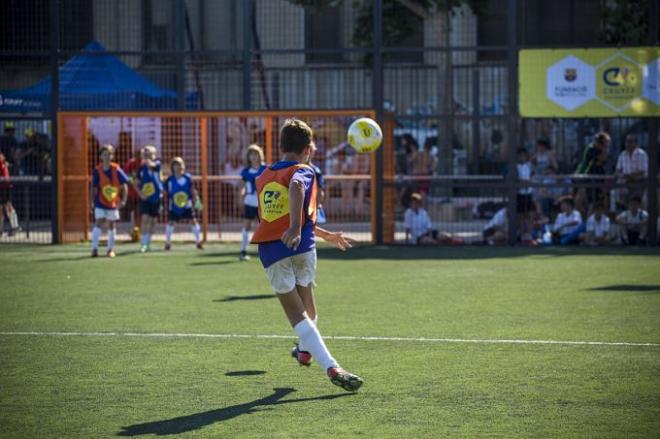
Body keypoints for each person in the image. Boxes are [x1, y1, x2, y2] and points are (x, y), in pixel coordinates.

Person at [250, 118, 363, 392]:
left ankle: (330, 365)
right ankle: (306, 350)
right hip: (302, 247)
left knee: (298, 314)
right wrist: (296, 229)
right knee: (308, 309)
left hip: (274, 249)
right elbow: (297, 187)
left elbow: (290, 202)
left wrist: (319, 233)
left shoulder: (263, 176)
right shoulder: (305, 169)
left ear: (280, 146)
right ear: (308, 149)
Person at [90, 144, 131, 258]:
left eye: (109, 154)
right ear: (100, 157)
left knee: (112, 225)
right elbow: (93, 187)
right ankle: (94, 248)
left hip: (112, 202)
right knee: (98, 223)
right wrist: (91, 202)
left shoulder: (116, 169)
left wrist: (123, 200)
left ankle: (110, 250)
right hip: (100, 201)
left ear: (112, 156)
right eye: (104, 154)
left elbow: (124, 185)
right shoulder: (97, 170)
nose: (107, 156)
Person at [164, 157, 203, 251]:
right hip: (174, 205)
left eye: (181, 164)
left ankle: (198, 241)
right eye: (176, 165)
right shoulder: (170, 180)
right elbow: (166, 192)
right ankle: (168, 242)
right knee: (171, 222)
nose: (179, 167)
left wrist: (197, 201)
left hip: (187, 204)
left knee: (193, 221)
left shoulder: (188, 178)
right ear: (173, 167)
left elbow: (193, 190)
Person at [238, 144, 267, 261]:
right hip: (250, 201)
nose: (254, 157)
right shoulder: (245, 172)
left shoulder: (266, 169)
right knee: (247, 225)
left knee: (265, 226)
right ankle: (243, 251)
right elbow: (241, 187)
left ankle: (266, 252)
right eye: (251, 155)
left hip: (263, 202)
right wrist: (241, 197)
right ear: (248, 157)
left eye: (256, 154)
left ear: (260, 155)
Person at [136, 145, 163, 253]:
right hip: (145, 198)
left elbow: (153, 165)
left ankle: (148, 242)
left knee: (153, 220)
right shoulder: (141, 169)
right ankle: (143, 243)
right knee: (145, 218)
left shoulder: (157, 164)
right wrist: (140, 193)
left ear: (154, 155)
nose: (147, 155)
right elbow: (136, 182)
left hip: (156, 197)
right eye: (145, 152)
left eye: (149, 153)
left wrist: (147, 160)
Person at [615, 134, 648, 205]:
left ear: (636, 143)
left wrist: (630, 176)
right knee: (615, 190)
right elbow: (618, 170)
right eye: (626, 141)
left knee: (640, 201)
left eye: (630, 141)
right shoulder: (622, 154)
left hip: (639, 182)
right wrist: (621, 175)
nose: (628, 144)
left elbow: (643, 171)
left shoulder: (642, 154)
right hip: (625, 182)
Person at [123, 149, 142, 242]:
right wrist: (133, 180)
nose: (140, 156)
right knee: (128, 213)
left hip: (141, 194)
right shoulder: (130, 163)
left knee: (139, 213)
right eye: (138, 153)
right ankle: (133, 231)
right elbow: (125, 175)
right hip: (131, 192)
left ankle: (137, 231)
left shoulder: (144, 164)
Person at [516, 148, 535, 242]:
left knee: (530, 214)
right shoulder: (515, 166)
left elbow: (532, 176)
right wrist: (523, 182)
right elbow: (516, 179)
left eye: (524, 155)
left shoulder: (529, 165)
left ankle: (529, 234)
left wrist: (529, 182)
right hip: (520, 194)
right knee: (521, 215)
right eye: (520, 155)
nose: (522, 157)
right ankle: (522, 233)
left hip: (529, 193)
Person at [0, 153, 20, 236]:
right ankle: (1, 230)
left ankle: (15, 227)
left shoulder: (1, 158)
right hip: (3, 185)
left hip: (4, 186)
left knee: (8, 206)